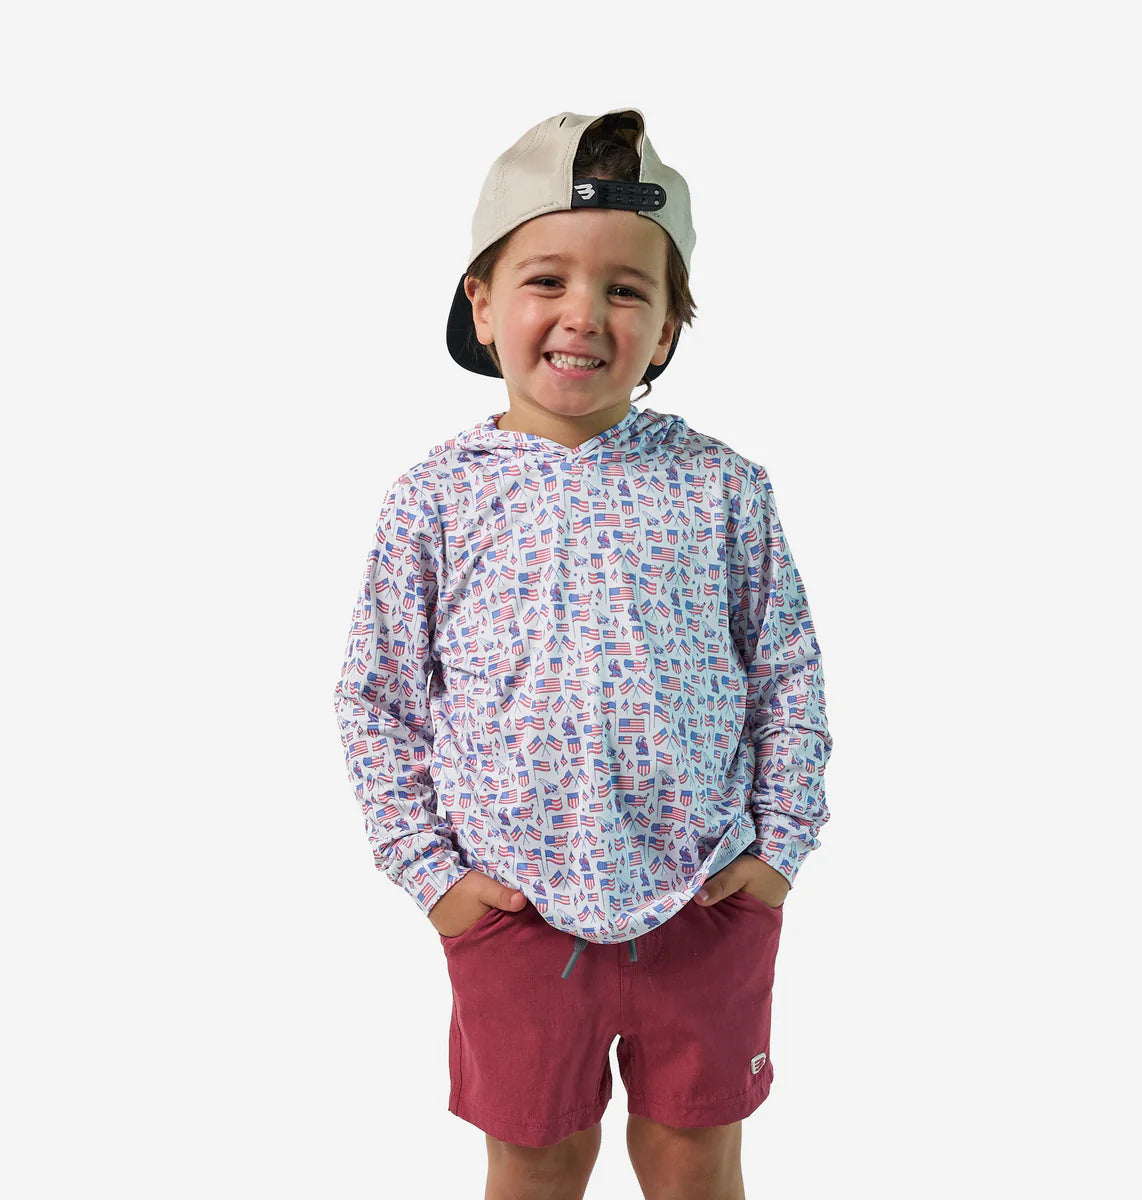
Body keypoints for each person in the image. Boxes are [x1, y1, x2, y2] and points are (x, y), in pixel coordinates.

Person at [332, 107, 833, 1199]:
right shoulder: (434, 500)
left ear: (668, 327)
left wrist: (780, 850)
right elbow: (378, 699)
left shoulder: (723, 488)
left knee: (695, 1157)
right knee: (536, 1160)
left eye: (626, 290)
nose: (584, 315)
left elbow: (787, 674)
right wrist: (435, 876)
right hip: (514, 909)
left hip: (705, 897)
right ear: (482, 301)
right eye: (547, 280)